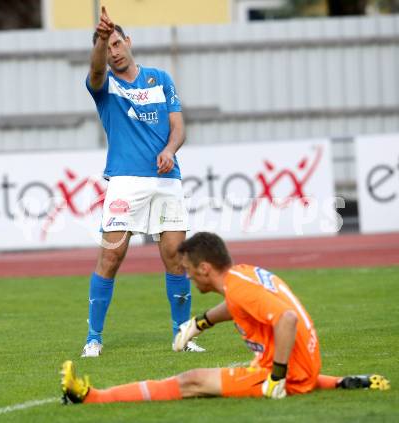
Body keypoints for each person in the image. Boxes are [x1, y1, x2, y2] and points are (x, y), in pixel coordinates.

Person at [61, 232, 390, 402]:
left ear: (205, 268)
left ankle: (92, 397)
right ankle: (342, 382)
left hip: (287, 372)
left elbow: (286, 319)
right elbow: (241, 306)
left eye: (189, 271)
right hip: (304, 364)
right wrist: (200, 323)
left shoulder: (240, 289)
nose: (187, 277)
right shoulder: (241, 275)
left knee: (191, 381)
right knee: (208, 376)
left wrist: (276, 377)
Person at [80, 5, 204, 357]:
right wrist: (100, 41)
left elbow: (179, 127)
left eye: (117, 43)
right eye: (108, 46)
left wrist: (169, 149)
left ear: (128, 42)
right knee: (111, 257)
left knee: (176, 258)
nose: (114, 51)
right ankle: (93, 337)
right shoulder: (103, 85)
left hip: (167, 181)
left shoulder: (160, 79)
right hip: (125, 183)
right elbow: (95, 69)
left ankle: (183, 335)